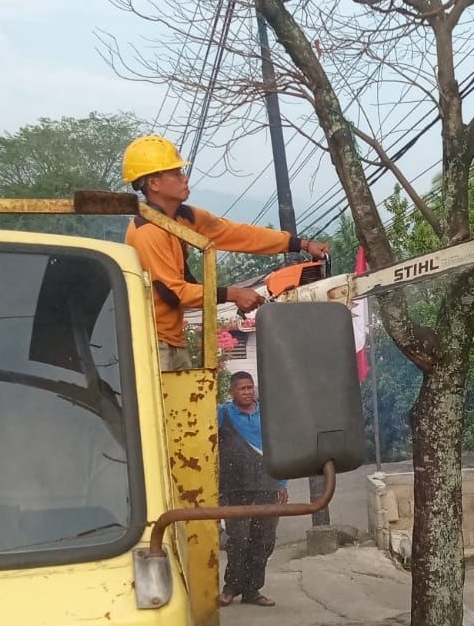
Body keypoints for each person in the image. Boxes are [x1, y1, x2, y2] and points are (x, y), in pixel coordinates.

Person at [122, 135, 329, 370]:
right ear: (154, 184)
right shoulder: (148, 231)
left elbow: (238, 234)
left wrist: (299, 243)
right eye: (176, 173)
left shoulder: (183, 218)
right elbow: (173, 293)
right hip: (151, 344)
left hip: (172, 341)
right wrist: (233, 294)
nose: (184, 178)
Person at [217, 372, 286, 608]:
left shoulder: (266, 414)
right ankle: (230, 588)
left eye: (250, 388)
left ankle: (252, 590)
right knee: (238, 539)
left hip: (267, 484)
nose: (247, 392)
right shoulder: (222, 413)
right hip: (234, 488)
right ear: (231, 392)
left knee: (264, 539)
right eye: (242, 389)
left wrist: (282, 483)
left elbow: (279, 446)